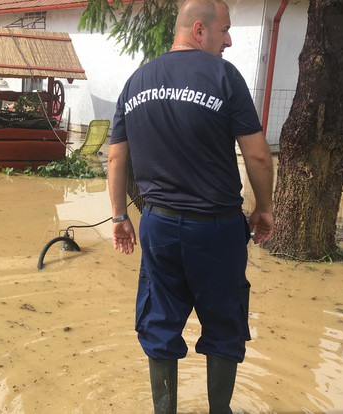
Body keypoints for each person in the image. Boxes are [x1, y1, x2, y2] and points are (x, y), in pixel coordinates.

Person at [107, 0, 275, 412]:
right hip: (215, 230)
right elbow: (257, 156)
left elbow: (115, 157)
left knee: (160, 320)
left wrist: (118, 217)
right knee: (224, 322)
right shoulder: (224, 77)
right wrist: (264, 208)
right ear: (199, 30)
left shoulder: (137, 80)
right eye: (225, 31)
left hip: (158, 226)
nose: (229, 41)